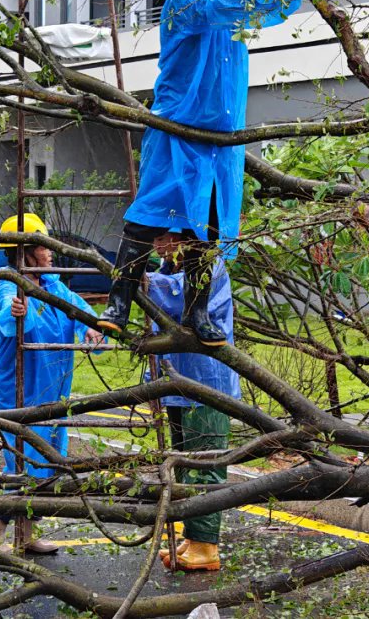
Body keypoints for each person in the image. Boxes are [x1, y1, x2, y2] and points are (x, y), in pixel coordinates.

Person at [97, 0, 306, 345]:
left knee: (207, 230)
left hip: (222, 139)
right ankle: (119, 300)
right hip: (179, 129)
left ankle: (198, 313)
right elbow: (215, 8)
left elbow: (268, 7)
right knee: (149, 216)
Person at [0, 213, 103, 553]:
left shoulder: (53, 285)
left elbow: (80, 312)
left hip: (54, 390)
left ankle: (27, 536)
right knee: (21, 465)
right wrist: (17, 311)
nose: (50, 252)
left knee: (50, 464)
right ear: (24, 252)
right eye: (42, 246)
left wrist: (91, 328)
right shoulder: (10, 287)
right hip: (21, 393)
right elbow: (8, 317)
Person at [144, 233, 239, 573]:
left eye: (160, 237)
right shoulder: (171, 265)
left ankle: (207, 545)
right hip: (180, 382)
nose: (155, 246)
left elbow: (178, 303)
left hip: (206, 382)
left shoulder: (208, 265)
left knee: (206, 464)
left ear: (179, 237)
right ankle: (194, 535)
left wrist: (146, 282)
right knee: (185, 463)